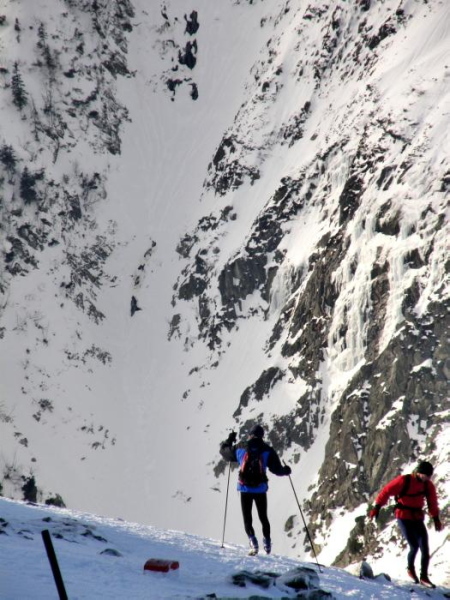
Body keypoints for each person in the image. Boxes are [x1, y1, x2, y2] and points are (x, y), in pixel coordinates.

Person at [369, 460, 443, 588]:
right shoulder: (404, 481)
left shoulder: (427, 485)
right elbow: (386, 491)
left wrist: (436, 518)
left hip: (417, 517)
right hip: (403, 516)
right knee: (414, 546)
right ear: (419, 473)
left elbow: (432, 502)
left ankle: (424, 577)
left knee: (425, 548)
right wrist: (377, 507)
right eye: (426, 475)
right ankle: (410, 568)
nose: (427, 478)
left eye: (429, 476)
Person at [220, 424, 291, 555]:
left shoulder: (240, 447)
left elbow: (224, 453)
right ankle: (267, 542)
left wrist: (230, 439)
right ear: (262, 436)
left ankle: (253, 542)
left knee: (247, 519)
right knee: (263, 517)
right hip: (260, 489)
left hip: (245, 489)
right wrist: (286, 471)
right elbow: (277, 469)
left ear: (250, 434)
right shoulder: (267, 450)